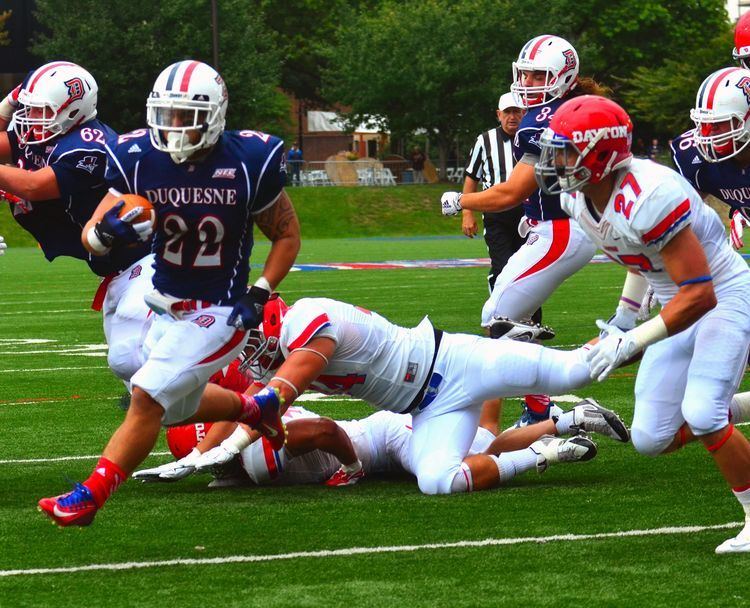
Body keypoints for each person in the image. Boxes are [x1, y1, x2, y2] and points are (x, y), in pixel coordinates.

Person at [38, 60, 301, 527]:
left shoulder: (248, 161)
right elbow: (91, 236)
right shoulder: (139, 155)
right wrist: (108, 233)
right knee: (175, 407)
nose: (173, 126)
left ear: (215, 115)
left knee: (145, 397)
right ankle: (256, 407)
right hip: (163, 306)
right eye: (166, 113)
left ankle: (89, 496)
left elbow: (287, 235)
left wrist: (260, 293)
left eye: (185, 115)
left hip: (221, 312)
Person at [535, 94, 750, 554]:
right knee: (652, 438)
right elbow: (639, 257)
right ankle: (743, 406)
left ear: (601, 152)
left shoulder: (649, 194)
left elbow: (700, 291)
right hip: (678, 302)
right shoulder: (580, 198)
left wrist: (633, 340)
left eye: (568, 149)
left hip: (722, 295)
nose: (556, 161)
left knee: (705, 415)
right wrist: (624, 318)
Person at [221, 293, 629, 497]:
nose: (250, 353)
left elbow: (268, 404)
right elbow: (247, 404)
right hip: (427, 408)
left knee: (575, 371)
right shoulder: (285, 358)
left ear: (272, 320)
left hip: (454, 362)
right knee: (438, 481)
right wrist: (199, 456)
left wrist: (229, 446)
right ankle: (542, 453)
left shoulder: (306, 323)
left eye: (251, 339)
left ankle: (643, 329)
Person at [441, 35, 602, 425]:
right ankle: (537, 407)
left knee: (497, 314)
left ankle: (549, 404)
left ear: (563, 77)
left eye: (537, 76)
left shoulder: (544, 120)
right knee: (511, 320)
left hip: (561, 230)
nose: (528, 83)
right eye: (525, 74)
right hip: (559, 225)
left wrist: (460, 201)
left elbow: (511, 192)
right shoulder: (561, 109)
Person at [0, 61, 155, 383]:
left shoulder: (90, 143)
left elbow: (34, 186)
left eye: (41, 110)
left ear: (72, 111)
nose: (31, 118)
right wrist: (6, 107)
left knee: (134, 360)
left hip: (146, 260)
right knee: (131, 370)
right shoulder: (42, 130)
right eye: (29, 108)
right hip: (114, 269)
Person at [133, 398, 615, 489]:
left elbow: (325, 431)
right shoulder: (251, 446)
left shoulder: (253, 459)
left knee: (473, 456)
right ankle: (568, 420)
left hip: (383, 439)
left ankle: (497, 374)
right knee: (477, 447)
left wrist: (352, 467)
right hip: (379, 437)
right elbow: (320, 431)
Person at [461, 91, 536, 432]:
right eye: (508, 112)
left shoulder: (532, 132)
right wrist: (467, 210)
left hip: (528, 212)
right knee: (505, 269)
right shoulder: (485, 141)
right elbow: (472, 175)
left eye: (517, 111)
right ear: (498, 114)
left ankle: (530, 322)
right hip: (497, 214)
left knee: (534, 271)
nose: (512, 117)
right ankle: (503, 319)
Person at [671, 67, 750, 251]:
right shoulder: (695, 157)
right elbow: (672, 222)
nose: (708, 133)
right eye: (705, 123)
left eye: (720, 123)